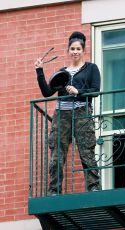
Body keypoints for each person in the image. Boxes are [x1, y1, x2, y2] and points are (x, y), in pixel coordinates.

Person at [34, 31, 101, 195]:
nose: (75, 52)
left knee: (86, 150)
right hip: (61, 114)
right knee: (57, 153)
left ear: (83, 50)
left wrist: (78, 91)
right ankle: (54, 189)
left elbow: (95, 90)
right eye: (72, 49)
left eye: (78, 48)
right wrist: (40, 71)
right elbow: (47, 92)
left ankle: (93, 187)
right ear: (68, 50)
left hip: (81, 112)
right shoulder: (62, 72)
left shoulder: (91, 68)